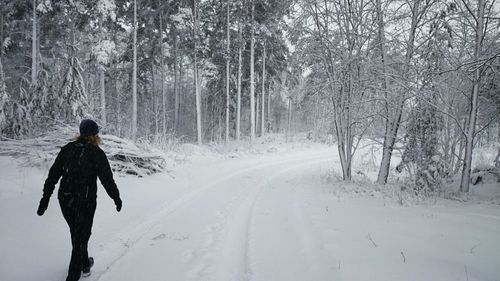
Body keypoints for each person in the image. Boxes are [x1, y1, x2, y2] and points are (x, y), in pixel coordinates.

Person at [36, 119, 122, 281]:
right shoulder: (96, 153)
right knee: (81, 238)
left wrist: (45, 199)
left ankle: (84, 264)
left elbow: (52, 176)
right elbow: (107, 180)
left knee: (77, 234)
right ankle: (73, 276)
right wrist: (116, 198)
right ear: (95, 135)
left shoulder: (67, 150)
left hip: (65, 199)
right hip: (85, 200)